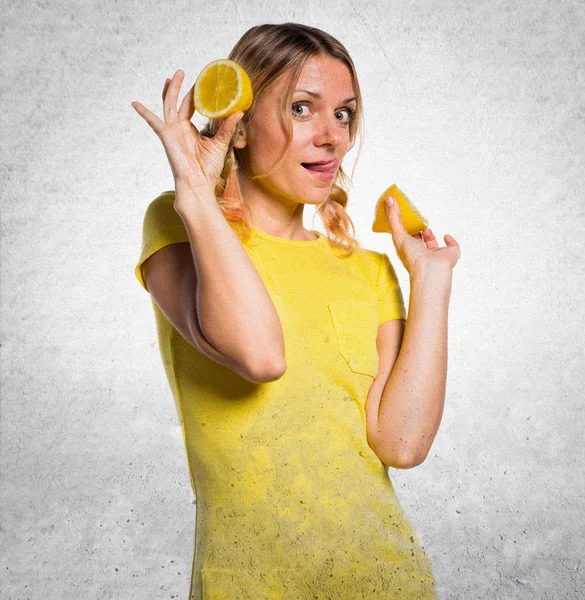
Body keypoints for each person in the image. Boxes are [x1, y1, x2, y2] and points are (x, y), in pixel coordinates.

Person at [131, 22, 460, 600]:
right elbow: (261, 356)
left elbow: (402, 445)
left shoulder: (368, 271)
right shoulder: (180, 227)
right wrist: (195, 193)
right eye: (303, 108)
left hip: (387, 580)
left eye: (344, 114)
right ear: (237, 125)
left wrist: (431, 282)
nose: (332, 137)